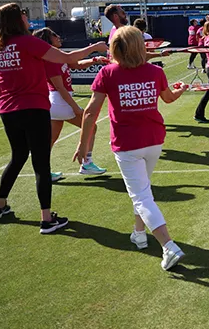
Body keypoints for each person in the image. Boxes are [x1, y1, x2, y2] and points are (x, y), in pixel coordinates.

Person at [0, 3, 108, 233]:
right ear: (17, 19)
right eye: (23, 14)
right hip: (34, 107)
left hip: (8, 110)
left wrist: (6, 101)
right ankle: (46, 218)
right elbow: (66, 57)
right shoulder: (28, 42)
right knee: (41, 163)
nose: (27, 18)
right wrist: (94, 47)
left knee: (17, 157)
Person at [74, 26, 188, 270]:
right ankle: (139, 233)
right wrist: (180, 90)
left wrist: (83, 145)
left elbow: (90, 112)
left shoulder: (108, 73)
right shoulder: (155, 71)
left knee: (141, 196)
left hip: (127, 144)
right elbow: (168, 98)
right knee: (142, 191)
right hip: (154, 140)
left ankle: (168, 246)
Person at [33, 27, 109, 180]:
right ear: (47, 40)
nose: (58, 36)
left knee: (50, 140)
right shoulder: (51, 60)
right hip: (60, 102)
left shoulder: (56, 56)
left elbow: (77, 64)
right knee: (91, 127)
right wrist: (75, 108)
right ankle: (87, 163)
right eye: (54, 35)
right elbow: (60, 88)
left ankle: (43, 173)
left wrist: (94, 60)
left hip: (57, 103)